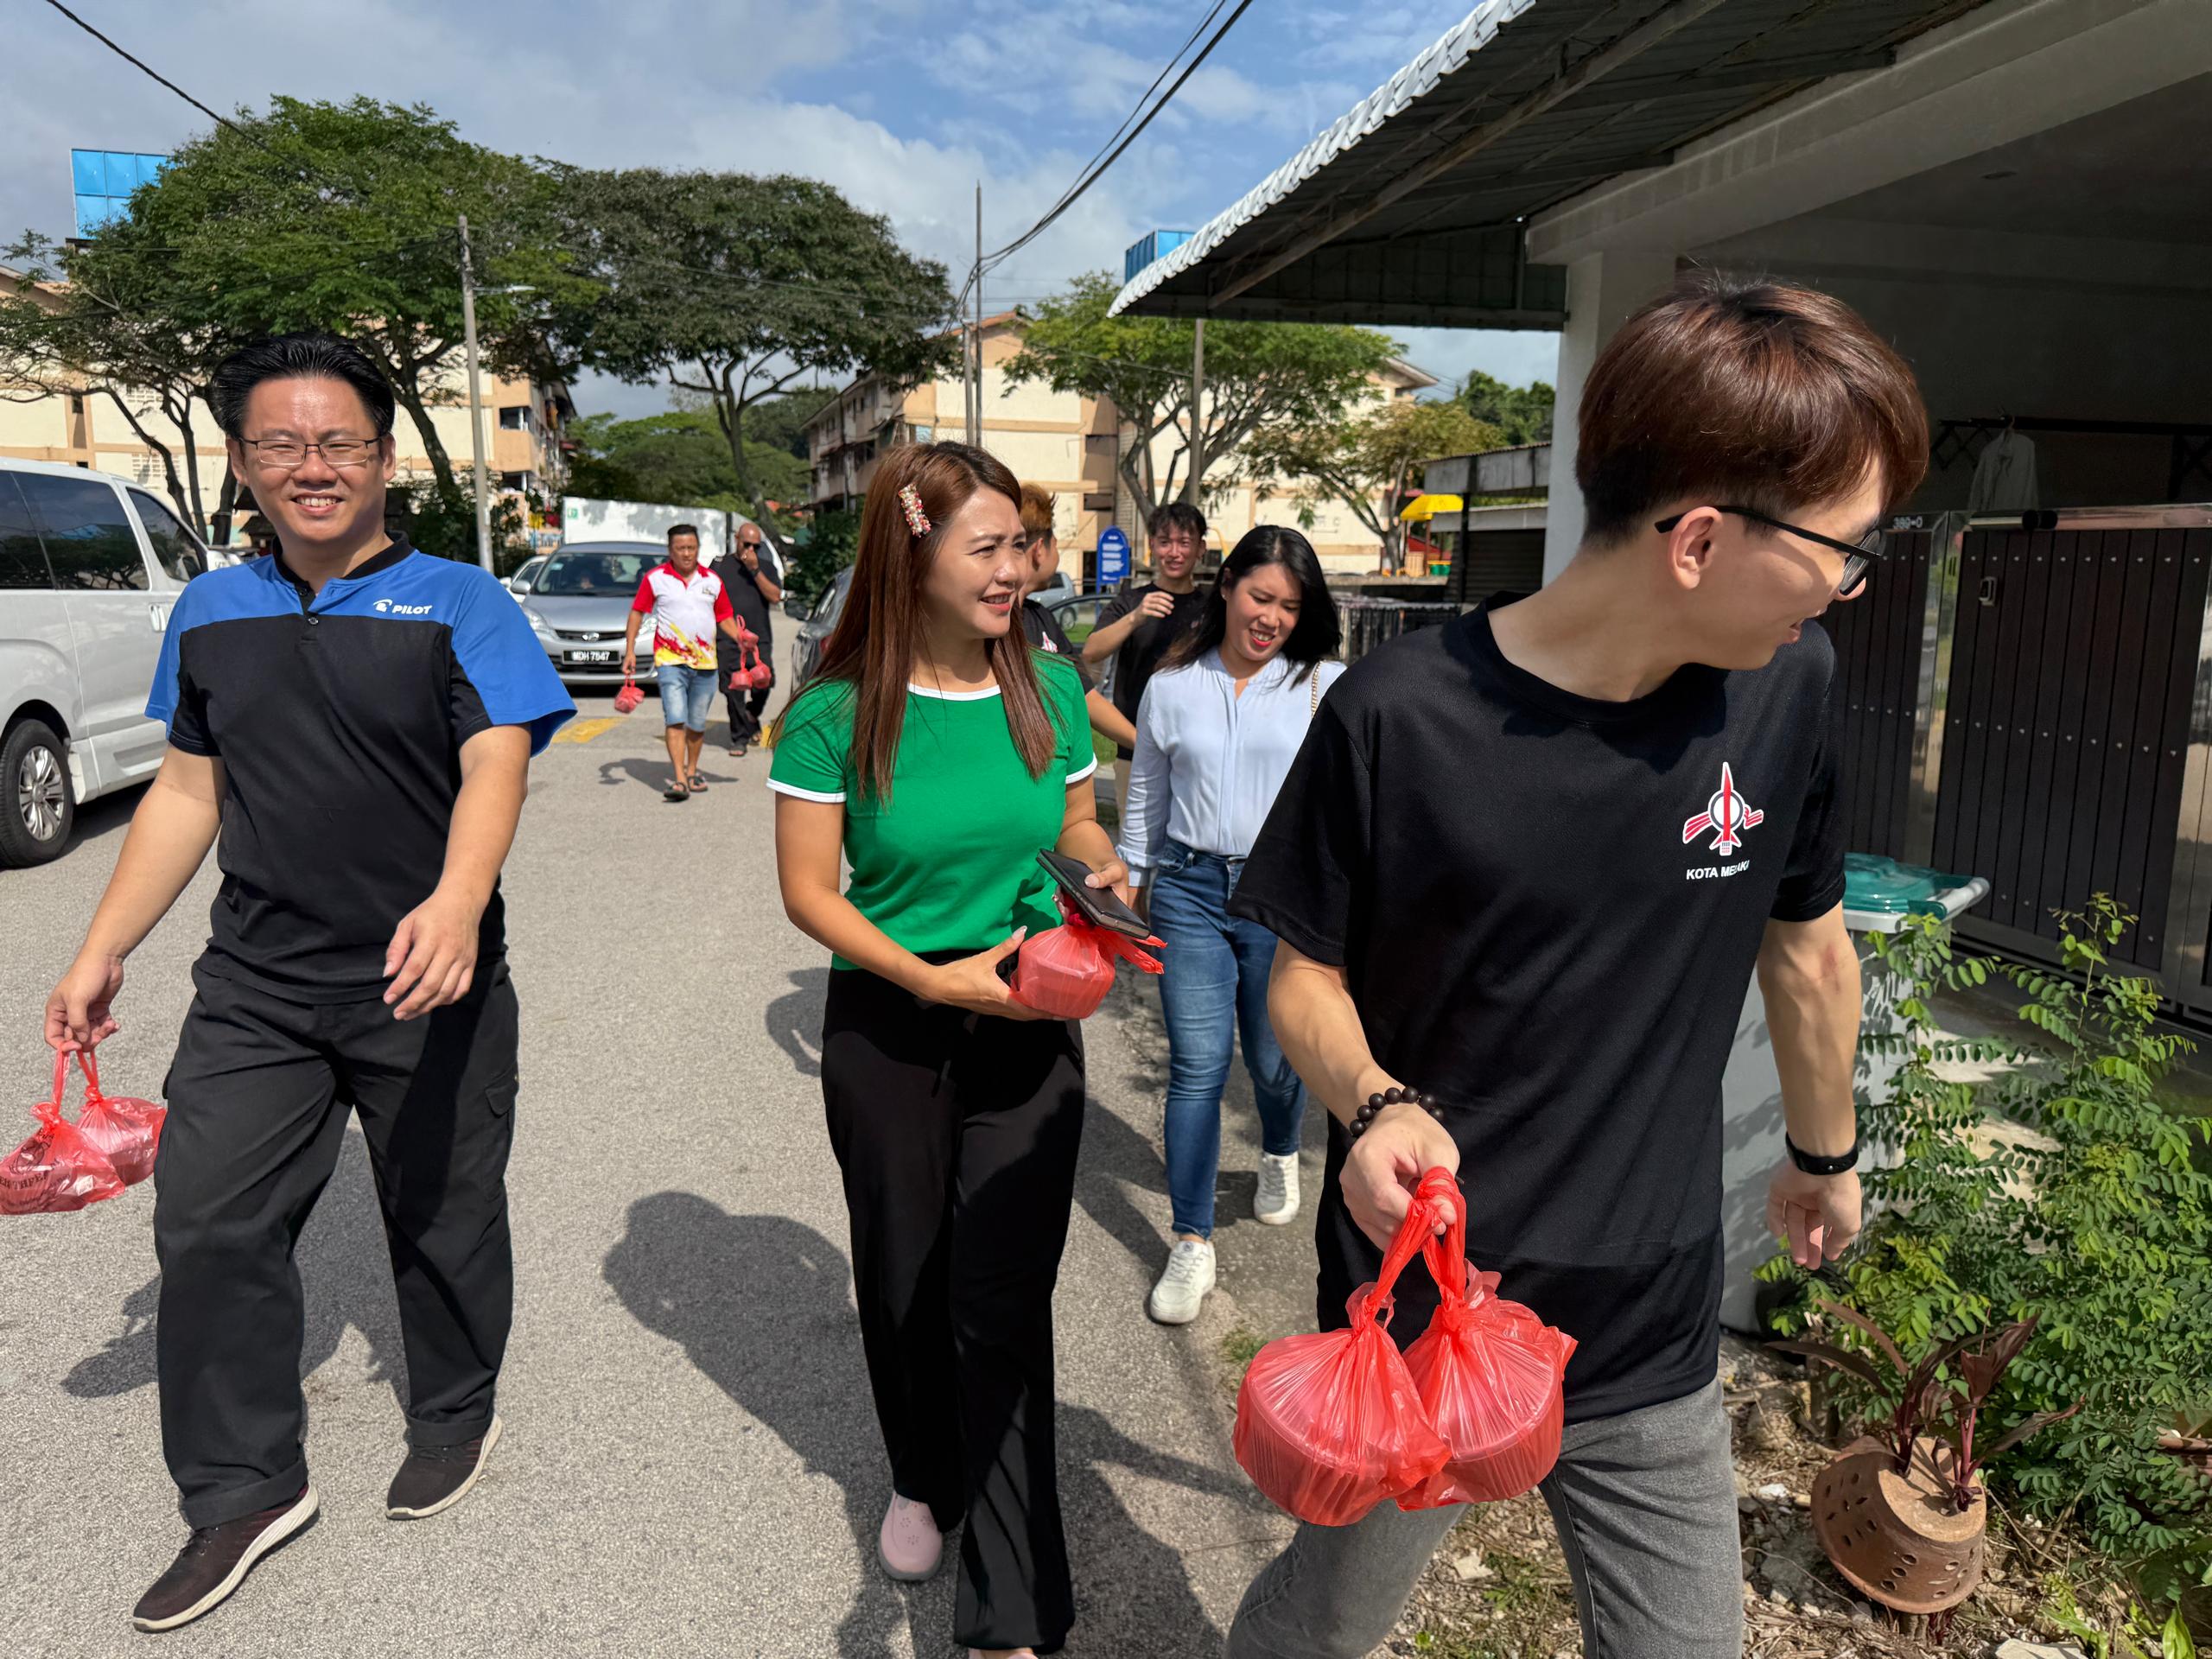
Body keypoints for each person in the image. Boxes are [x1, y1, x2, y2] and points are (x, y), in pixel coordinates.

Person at [1222, 273, 1929, 1659]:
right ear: (1702, 539)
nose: (1852, 584)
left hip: (1649, 1321)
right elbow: (1299, 975)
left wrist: (1825, 1155)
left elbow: (1808, 944)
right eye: (1846, 547)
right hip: (1425, 1318)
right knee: (1324, 1627)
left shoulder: (1788, 688)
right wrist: (1367, 1103)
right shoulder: (1400, 719)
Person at [41, 333, 574, 1634]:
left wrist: (456, 903)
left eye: (339, 442)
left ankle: (452, 1405)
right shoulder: (214, 612)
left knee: (441, 1210)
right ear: (241, 463)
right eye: (280, 444)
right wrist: (105, 941)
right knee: (208, 1219)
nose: (311, 467)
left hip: (424, 978)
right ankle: (243, 1485)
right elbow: (187, 785)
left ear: (386, 459)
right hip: (259, 986)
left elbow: (499, 756)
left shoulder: (460, 601)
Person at [769, 442, 1128, 1659]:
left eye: (1023, 545)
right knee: (908, 1277)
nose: (1017, 571)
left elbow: (1076, 821)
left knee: (1002, 1301)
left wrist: (1103, 885)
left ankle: (1011, 1619)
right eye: (990, 547)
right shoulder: (834, 711)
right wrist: (929, 974)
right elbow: (810, 893)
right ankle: (922, 1475)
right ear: (912, 550)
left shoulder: (1048, 686)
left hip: (1032, 1024)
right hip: (891, 1029)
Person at [1116, 525, 1343, 1325]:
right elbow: (1146, 795)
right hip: (1187, 888)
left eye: (1289, 604)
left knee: (1279, 1062)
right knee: (1199, 1066)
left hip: (1280, 898)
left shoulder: (1325, 685)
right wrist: (1133, 885)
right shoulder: (1172, 684)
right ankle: (1192, 1241)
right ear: (1227, 588)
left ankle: (1279, 1151)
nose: (1272, 617)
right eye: (1260, 596)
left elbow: (1346, 810)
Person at [1079, 500, 1207, 814]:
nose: (1174, 552)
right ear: (1152, 546)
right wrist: (1136, 617)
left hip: (1199, 746)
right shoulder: (1132, 600)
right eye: (1165, 543)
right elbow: (1091, 651)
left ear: (1201, 548)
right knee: (1137, 843)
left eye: (1184, 543)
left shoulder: (1214, 605)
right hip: (1135, 747)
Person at [621, 524, 751, 801]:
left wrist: (741, 639)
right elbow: (637, 614)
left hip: (706, 664)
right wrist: (630, 650)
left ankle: (692, 770)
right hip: (670, 661)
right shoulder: (656, 579)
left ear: (698, 548)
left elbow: (724, 617)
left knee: (697, 723)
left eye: (691, 548)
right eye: (680, 548)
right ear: (671, 550)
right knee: (676, 718)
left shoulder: (712, 581)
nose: (687, 554)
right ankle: (679, 779)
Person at [1014, 483, 1136, 755]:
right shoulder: (991, 624)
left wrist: (1141, 742)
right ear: (1040, 550)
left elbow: (1084, 696)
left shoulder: (1042, 619)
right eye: (1056, 545)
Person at [715, 518, 785, 756]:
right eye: (747, 544)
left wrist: (755, 569)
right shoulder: (720, 565)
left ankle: (751, 713)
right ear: (737, 540)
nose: (751, 550)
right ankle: (739, 737)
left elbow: (775, 597)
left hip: (759, 638)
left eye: (756, 546)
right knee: (734, 688)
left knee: (764, 682)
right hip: (728, 638)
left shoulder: (766, 567)